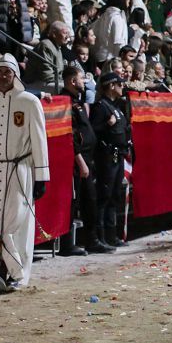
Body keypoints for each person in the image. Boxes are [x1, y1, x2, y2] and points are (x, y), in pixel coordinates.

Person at [0, 55, 50, 291]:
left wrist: (41, 176)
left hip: (20, 170)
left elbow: (39, 140)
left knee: (15, 221)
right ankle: (3, 267)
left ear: (15, 74)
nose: (3, 76)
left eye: (8, 72)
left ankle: (14, 272)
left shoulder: (29, 102)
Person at [60, 65, 113, 255]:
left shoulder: (77, 101)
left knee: (90, 201)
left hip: (88, 158)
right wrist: (80, 161)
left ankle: (92, 241)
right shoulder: (65, 102)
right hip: (77, 161)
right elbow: (70, 135)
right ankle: (67, 245)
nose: (85, 82)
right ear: (73, 81)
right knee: (73, 203)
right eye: (82, 78)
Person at [90, 73, 132, 248]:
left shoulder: (116, 106)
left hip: (118, 155)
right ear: (111, 86)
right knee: (105, 196)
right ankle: (101, 238)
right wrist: (107, 124)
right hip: (107, 156)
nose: (122, 87)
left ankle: (112, 235)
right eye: (119, 84)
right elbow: (93, 130)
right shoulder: (101, 107)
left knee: (114, 196)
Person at [24, 21, 70, 95]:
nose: (67, 37)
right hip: (37, 82)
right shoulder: (45, 45)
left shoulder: (57, 47)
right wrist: (64, 81)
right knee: (68, 88)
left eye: (68, 33)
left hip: (52, 81)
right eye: (65, 33)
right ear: (54, 34)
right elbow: (46, 75)